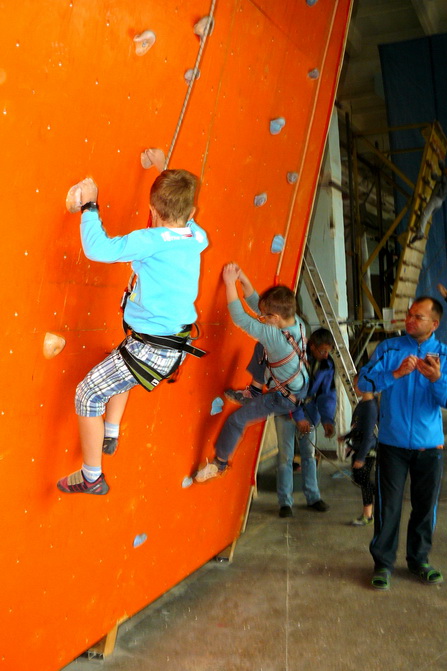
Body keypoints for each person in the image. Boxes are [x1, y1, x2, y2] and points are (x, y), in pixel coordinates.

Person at [57, 170, 208, 495]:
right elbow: (176, 211)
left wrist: (90, 205)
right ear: (191, 214)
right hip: (171, 345)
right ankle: (109, 432)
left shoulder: (149, 241)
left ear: (152, 210)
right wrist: (162, 167)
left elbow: (99, 250)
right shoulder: (196, 236)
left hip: (152, 349)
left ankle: (92, 476)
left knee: (87, 394)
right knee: (119, 368)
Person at [358, 297, 447, 590]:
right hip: (392, 445)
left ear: (434, 324)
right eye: (409, 315)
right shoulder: (388, 349)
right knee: (388, 507)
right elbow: (363, 383)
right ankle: (383, 564)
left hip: (429, 447)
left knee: (424, 507)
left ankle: (419, 560)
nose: (409, 320)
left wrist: (437, 379)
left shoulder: (443, 356)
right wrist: (395, 373)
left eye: (418, 317)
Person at [194, 264, 309, 483]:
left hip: (282, 398)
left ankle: (220, 463)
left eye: (266, 316)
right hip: (296, 382)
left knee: (236, 420)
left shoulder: (274, 337)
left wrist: (230, 284)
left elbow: (240, 318)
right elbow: (259, 307)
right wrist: (242, 277)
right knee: (261, 347)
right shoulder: (295, 322)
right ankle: (254, 392)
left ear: (275, 317)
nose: (262, 317)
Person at [274, 328, 336, 516]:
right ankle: (285, 502)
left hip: (310, 413)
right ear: (311, 346)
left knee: (309, 455)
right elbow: (286, 392)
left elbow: (327, 393)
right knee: (286, 457)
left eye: (328, 351)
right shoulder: (293, 360)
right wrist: (298, 418)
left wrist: (327, 419)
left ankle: (313, 497)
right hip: (286, 411)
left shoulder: (327, 365)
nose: (325, 355)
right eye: (322, 351)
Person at [338, 375, 378, 526]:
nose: (354, 388)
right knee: (360, 480)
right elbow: (358, 427)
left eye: (356, 385)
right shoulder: (363, 403)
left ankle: (368, 515)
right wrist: (346, 436)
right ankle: (380, 500)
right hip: (360, 447)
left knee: (364, 482)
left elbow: (368, 435)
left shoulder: (370, 407)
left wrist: (361, 458)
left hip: (367, 451)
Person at [411, 159, 447, 243]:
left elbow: (434, 177)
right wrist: (438, 154)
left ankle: (420, 233)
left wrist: (432, 167)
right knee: (427, 215)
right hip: (440, 202)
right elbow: (443, 167)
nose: (445, 169)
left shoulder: (445, 178)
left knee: (424, 214)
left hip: (436, 199)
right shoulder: (445, 175)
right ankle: (420, 228)